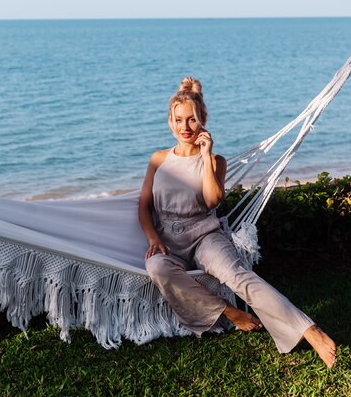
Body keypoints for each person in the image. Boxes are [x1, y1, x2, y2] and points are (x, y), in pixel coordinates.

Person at [138, 76, 336, 368]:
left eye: (192, 120)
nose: (185, 127)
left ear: (203, 120)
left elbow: (212, 200)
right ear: (169, 121)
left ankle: (310, 330)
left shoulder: (216, 160)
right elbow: (143, 205)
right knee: (156, 267)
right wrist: (153, 237)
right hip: (168, 239)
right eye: (178, 120)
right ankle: (230, 312)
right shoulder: (158, 159)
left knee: (240, 277)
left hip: (205, 235)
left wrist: (205, 156)